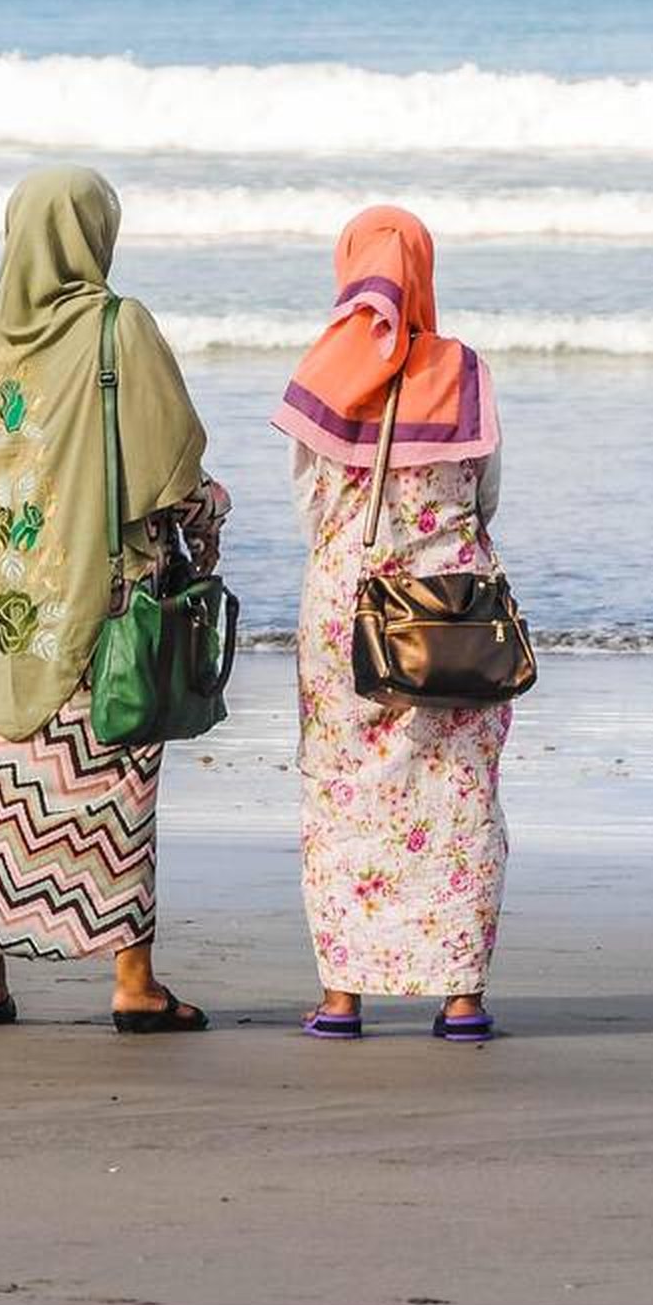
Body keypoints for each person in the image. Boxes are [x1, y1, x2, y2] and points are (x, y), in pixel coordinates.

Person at [0, 165, 227, 1033]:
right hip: (99, 606)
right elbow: (167, 473)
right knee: (111, 791)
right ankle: (132, 983)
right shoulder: (120, 328)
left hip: (1, 614)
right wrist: (209, 508)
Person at [273, 206, 510, 1043]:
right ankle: (459, 998)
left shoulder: (320, 371)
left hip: (345, 607)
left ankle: (343, 998)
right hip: (450, 610)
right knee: (456, 796)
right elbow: (485, 498)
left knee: (342, 795)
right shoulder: (466, 370)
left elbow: (309, 507)